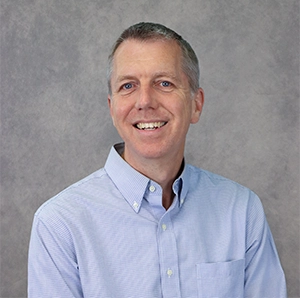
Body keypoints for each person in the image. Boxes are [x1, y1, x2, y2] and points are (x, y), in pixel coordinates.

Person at [28, 22, 286, 297]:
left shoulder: (241, 210)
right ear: (112, 108)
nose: (145, 101)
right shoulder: (60, 225)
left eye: (164, 83)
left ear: (196, 104)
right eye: (128, 86)